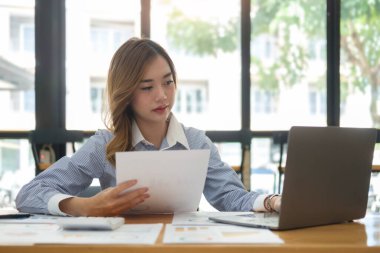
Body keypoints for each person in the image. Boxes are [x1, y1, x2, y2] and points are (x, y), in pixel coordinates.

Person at [16, 37, 281, 216]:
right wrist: (87, 206)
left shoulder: (196, 142)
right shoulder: (105, 145)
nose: (162, 96)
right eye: (147, 87)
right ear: (126, 93)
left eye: (168, 82)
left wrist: (271, 201)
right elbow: (29, 195)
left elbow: (232, 197)